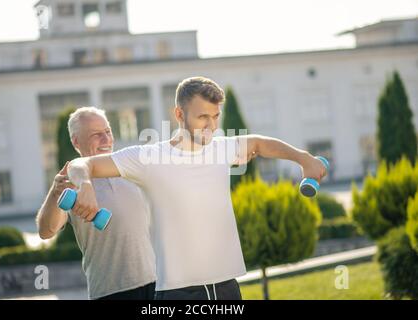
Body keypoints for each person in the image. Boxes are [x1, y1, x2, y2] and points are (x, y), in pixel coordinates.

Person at [66, 77, 326, 300]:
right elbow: (81, 164)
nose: (212, 126)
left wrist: (304, 159)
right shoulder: (149, 157)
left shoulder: (221, 148)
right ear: (179, 114)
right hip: (178, 292)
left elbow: (260, 143)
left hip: (227, 286)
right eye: (203, 117)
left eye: (215, 116)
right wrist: (85, 184)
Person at [36, 107, 156, 300]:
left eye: (107, 131)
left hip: (155, 284)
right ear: (76, 141)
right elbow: (46, 231)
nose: (106, 139)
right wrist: (55, 193)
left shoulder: (130, 169)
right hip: (111, 291)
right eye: (96, 135)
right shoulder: (70, 182)